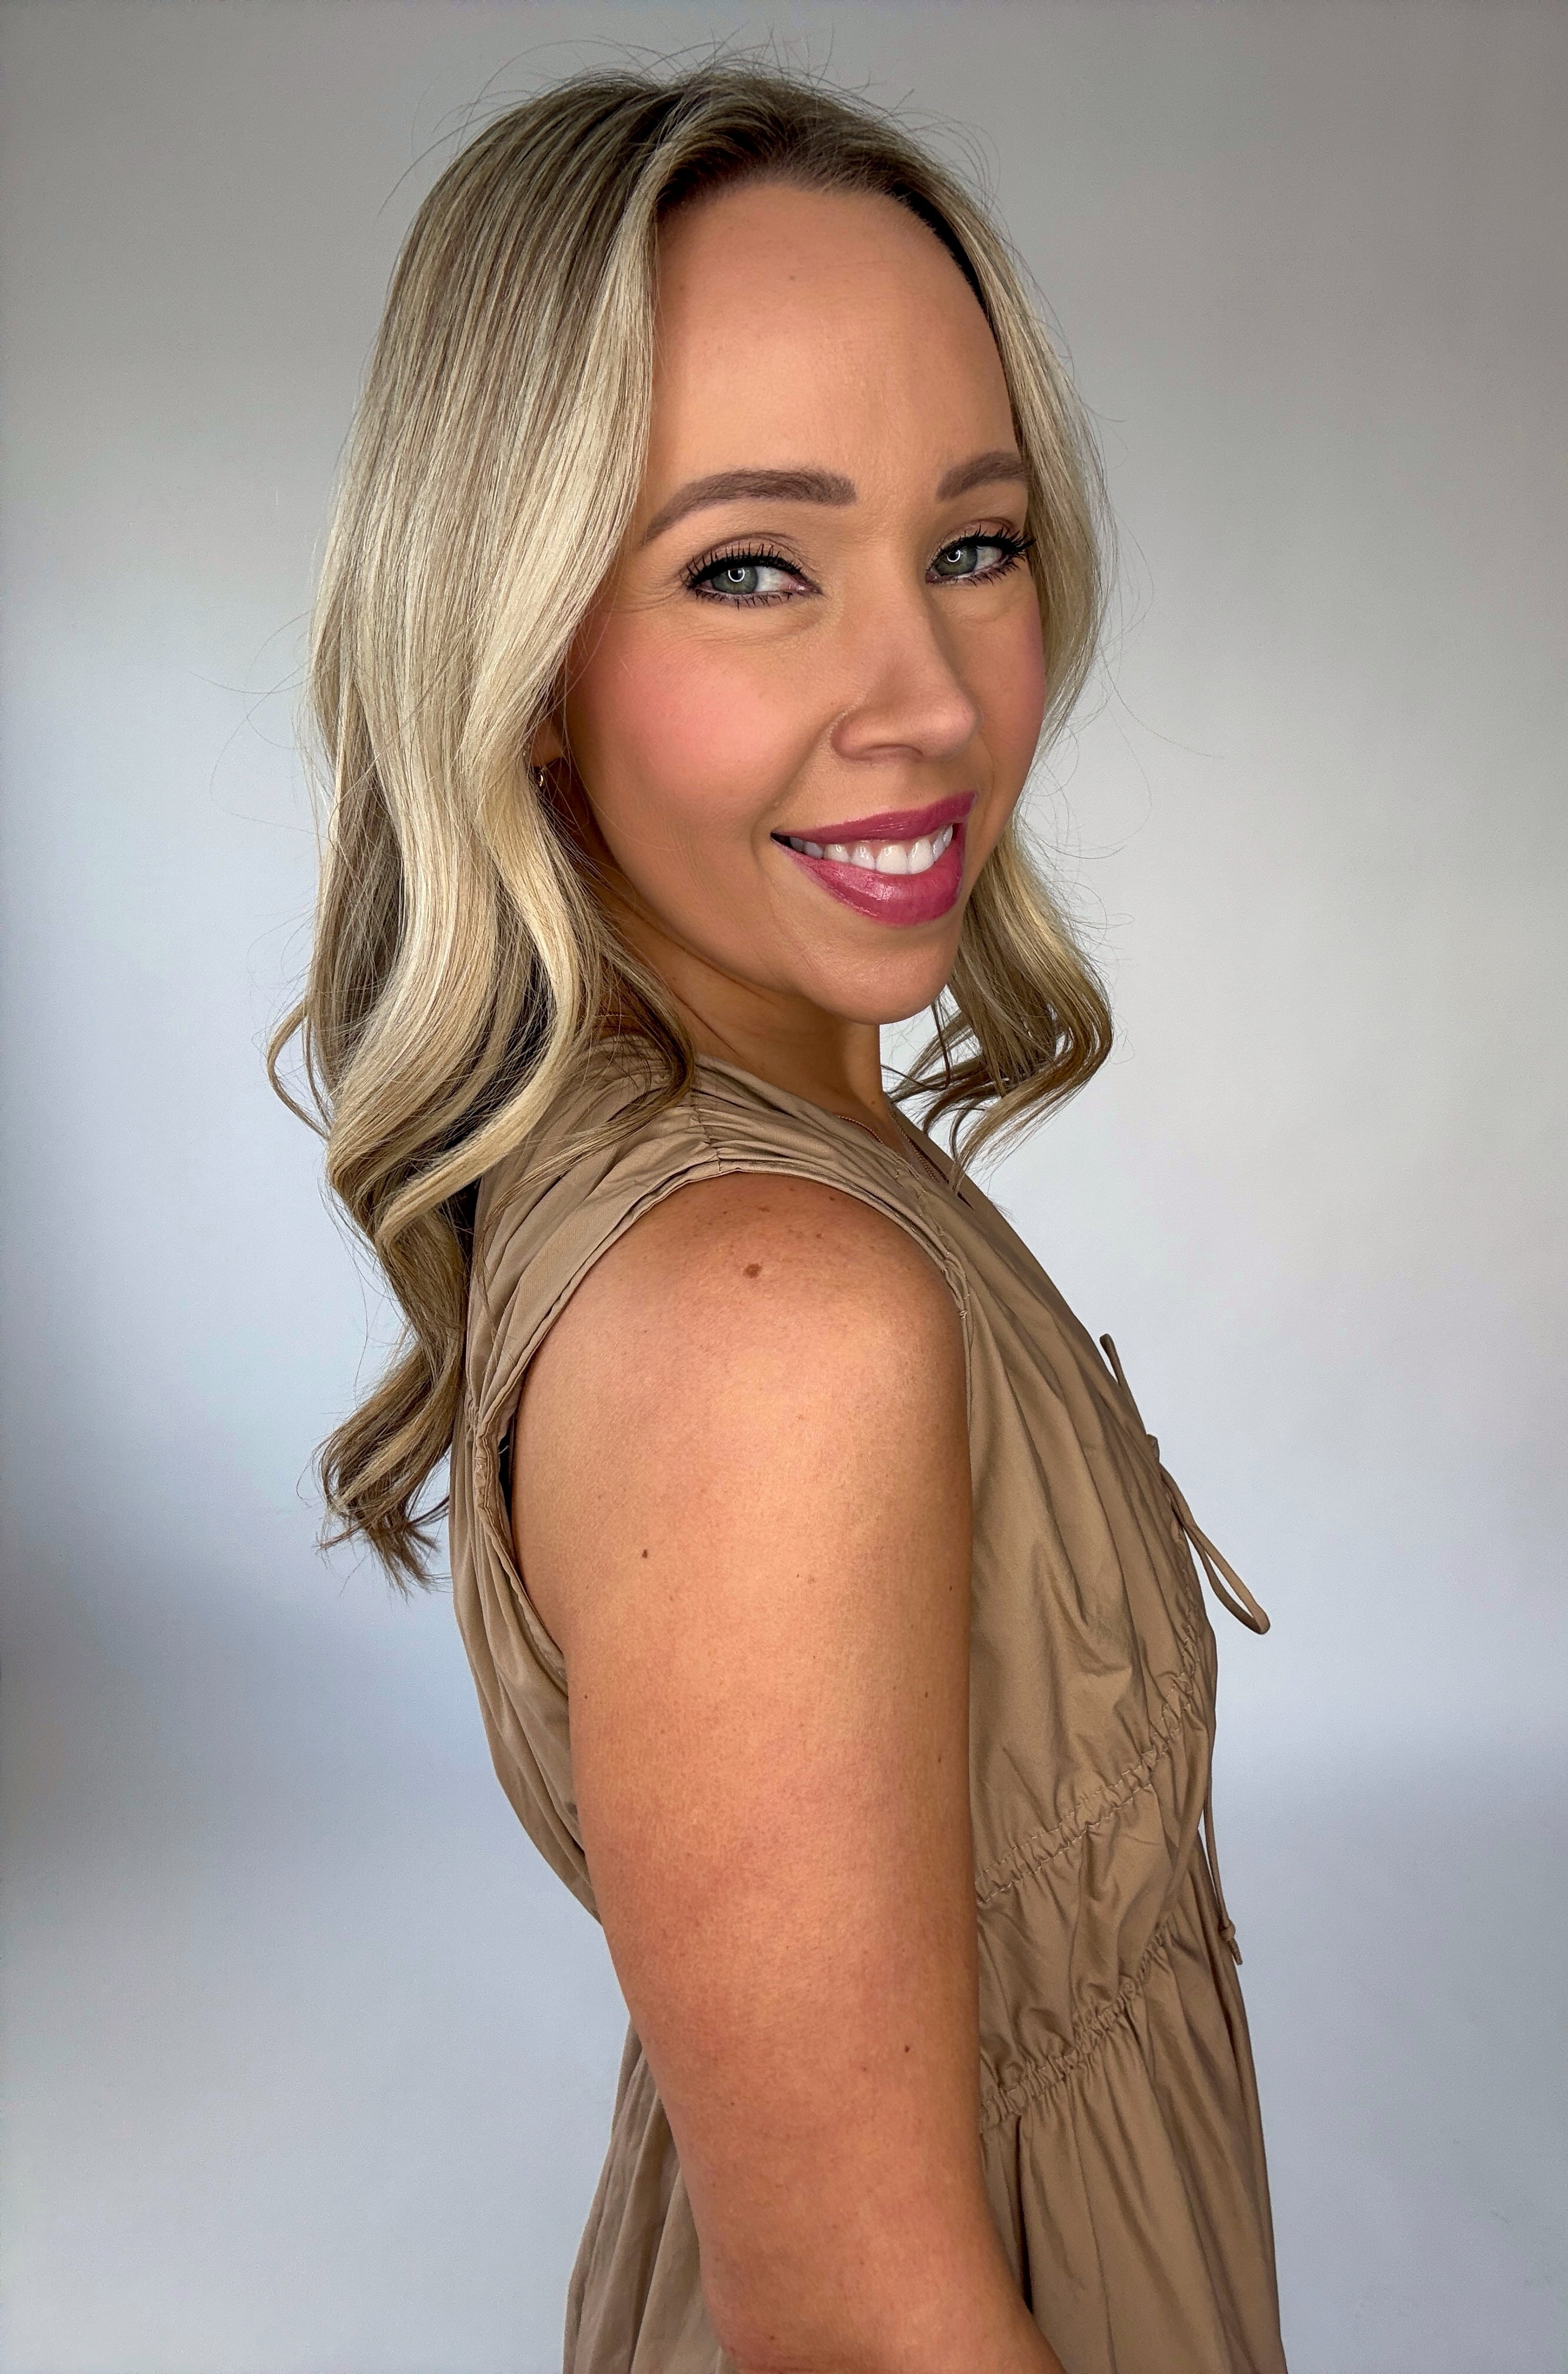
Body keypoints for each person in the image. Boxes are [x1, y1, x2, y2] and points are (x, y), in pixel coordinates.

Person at [276, 62, 1285, 2374]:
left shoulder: (784, 1147)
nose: (927, 700)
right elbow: (859, 2328)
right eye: (753, 568)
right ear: (525, 659)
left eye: (975, 544)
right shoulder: (770, 1316)